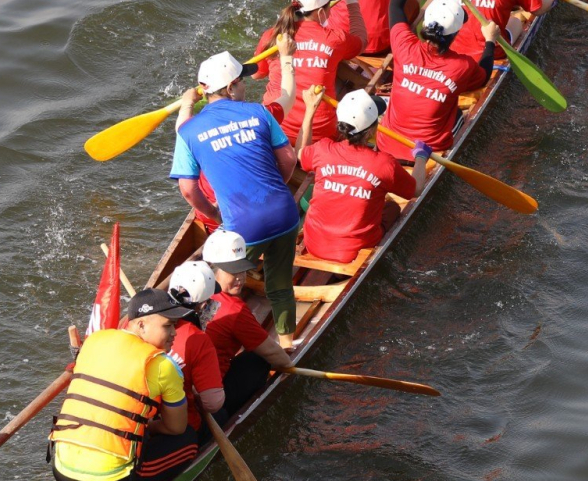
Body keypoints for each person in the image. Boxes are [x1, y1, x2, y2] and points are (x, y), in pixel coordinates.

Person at [172, 50, 301, 340]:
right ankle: (287, 344)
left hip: (242, 227)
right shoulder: (259, 112)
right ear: (230, 88)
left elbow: (188, 189)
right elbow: (290, 160)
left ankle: (210, 345)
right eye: (241, 81)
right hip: (284, 214)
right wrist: (277, 187)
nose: (245, 86)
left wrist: (215, 215)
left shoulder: (189, 131)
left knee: (216, 292)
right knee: (280, 286)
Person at [50, 288, 199, 481]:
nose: (175, 333)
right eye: (168, 326)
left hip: (60, 470)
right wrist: (148, 427)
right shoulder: (164, 365)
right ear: (140, 325)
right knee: (189, 440)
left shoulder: (93, 341)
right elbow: (176, 428)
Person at [384, 0, 499, 152]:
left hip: (387, 143)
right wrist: (490, 41)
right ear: (455, 33)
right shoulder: (461, 66)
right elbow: (483, 76)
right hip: (430, 151)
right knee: (456, 113)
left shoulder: (403, 45)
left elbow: (395, 5)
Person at [294, 89, 417, 264]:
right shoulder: (384, 163)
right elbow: (416, 189)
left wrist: (310, 110)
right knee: (392, 208)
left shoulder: (322, 149)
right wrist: (421, 157)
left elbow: (299, 153)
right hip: (352, 252)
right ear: (370, 132)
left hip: (314, 243)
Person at [251, 0, 362, 144]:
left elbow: (256, 75)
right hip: (319, 134)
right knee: (336, 64)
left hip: (275, 129)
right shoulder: (335, 39)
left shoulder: (271, 36)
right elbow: (361, 42)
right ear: (321, 12)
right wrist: (352, 2)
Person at [200, 228, 294, 414]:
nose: (240, 279)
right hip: (214, 392)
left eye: (242, 271)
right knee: (258, 359)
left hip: (192, 382)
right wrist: (291, 367)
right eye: (232, 272)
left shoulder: (192, 293)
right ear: (213, 270)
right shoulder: (235, 310)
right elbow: (273, 353)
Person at [162, 259, 227, 425]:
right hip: (181, 422)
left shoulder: (135, 323)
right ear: (202, 304)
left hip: (149, 413)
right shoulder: (197, 339)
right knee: (221, 414)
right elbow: (213, 404)